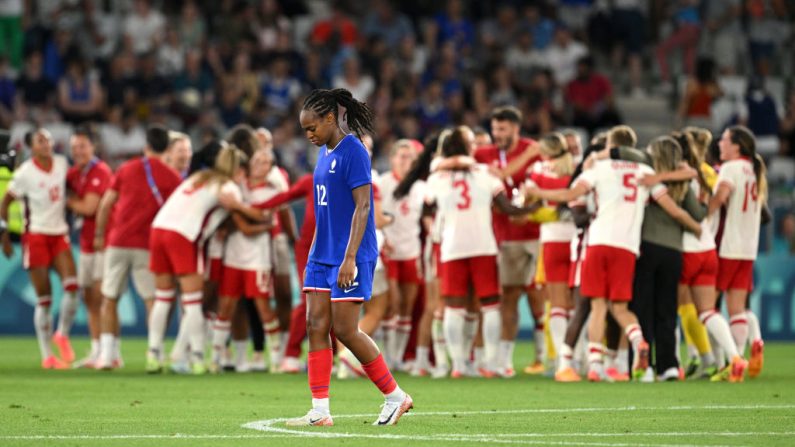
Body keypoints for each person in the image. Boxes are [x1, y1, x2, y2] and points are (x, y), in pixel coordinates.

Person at [526, 136, 703, 382]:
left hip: (598, 242)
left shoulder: (598, 168)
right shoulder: (644, 170)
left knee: (597, 306)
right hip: (628, 247)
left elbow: (571, 194)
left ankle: (595, 366)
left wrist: (537, 191)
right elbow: (672, 208)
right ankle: (638, 342)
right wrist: (695, 226)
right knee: (620, 308)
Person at [286, 88, 411, 427]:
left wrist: (350, 257)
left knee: (345, 329)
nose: (309, 135)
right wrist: (315, 250)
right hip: (320, 254)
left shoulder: (354, 149)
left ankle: (396, 397)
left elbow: (364, 205)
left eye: (312, 128)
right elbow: (326, 211)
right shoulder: (324, 153)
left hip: (349, 255)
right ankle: (320, 411)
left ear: (330, 118)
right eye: (304, 130)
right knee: (316, 326)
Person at [425, 126, 536, 378]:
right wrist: (532, 207)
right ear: (467, 148)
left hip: (452, 246)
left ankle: (458, 365)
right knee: (490, 305)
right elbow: (507, 208)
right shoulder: (485, 174)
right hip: (483, 245)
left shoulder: (436, 179)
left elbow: (427, 207)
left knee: (453, 307)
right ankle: (491, 362)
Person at [147, 146, 265, 374]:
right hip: (183, 236)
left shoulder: (198, 176)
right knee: (193, 301)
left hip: (158, 229)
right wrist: (265, 218)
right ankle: (198, 358)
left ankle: (153, 355)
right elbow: (243, 220)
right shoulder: (229, 187)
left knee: (163, 297)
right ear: (239, 170)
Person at [93, 125, 182, 370]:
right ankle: (155, 352)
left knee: (109, 297)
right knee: (153, 300)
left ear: (146, 147)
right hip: (148, 246)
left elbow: (106, 204)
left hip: (118, 242)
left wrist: (100, 234)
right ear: (167, 148)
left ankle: (107, 355)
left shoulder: (126, 168)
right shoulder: (172, 177)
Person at [1, 128, 78, 369]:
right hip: (35, 236)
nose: (47, 144)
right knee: (44, 299)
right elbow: (4, 203)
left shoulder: (63, 163)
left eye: (49, 139)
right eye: (41, 141)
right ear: (31, 147)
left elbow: (72, 189)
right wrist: (3, 237)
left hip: (59, 234)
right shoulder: (24, 173)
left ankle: (62, 334)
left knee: (73, 286)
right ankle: (47, 356)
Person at [473, 106, 541, 377]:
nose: (496, 134)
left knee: (541, 299)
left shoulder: (533, 148)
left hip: (537, 234)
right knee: (510, 297)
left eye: (502, 129)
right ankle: (504, 360)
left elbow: (542, 181)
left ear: (516, 128)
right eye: (494, 129)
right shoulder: (483, 154)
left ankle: (545, 358)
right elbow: (494, 182)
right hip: (507, 236)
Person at [211, 149, 282, 373]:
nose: (263, 164)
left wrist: (240, 210)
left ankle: (277, 358)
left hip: (258, 259)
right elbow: (249, 222)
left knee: (264, 309)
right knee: (226, 307)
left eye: (267, 162)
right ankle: (214, 358)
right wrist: (241, 219)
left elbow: (264, 217)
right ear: (249, 165)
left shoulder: (272, 191)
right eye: (259, 160)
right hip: (233, 256)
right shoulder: (236, 186)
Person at [707, 126, 766, 382]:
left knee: (708, 308)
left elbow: (720, 197)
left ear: (737, 146)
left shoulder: (730, 169)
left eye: (725, 139)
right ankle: (738, 361)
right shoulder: (754, 169)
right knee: (737, 309)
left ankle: (730, 360)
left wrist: (700, 216)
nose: (720, 143)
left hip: (727, 246)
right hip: (748, 247)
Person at [523, 133, 576, 376]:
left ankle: (558, 360)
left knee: (555, 304)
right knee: (577, 304)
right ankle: (580, 358)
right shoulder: (577, 167)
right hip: (576, 239)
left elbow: (527, 202)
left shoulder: (539, 171)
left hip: (553, 240)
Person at [65, 126, 113, 368]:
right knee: (89, 298)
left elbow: (89, 208)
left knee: (103, 298)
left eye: (82, 146)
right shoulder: (75, 173)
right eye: (74, 147)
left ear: (93, 147)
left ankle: (110, 352)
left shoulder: (100, 171)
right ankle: (96, 351)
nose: (78, 151)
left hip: (103, 243)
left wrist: (68, 201)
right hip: (86, 242)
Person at [378, 139, 424, 370]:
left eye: (411, 158)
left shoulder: (420, 187)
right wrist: (382, 239)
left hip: (411, 252)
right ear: (392, 158)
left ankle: (398, 357)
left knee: (407, 305)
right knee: (392, 303)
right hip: (389, 252)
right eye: (402, 156)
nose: (406, 161)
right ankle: (388, 356)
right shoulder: (382, 183)